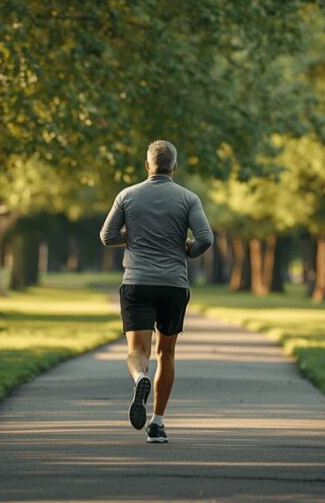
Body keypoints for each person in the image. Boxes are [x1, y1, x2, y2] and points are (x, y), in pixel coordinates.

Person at [99, 140, 213, 443]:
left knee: (138, 352)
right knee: (167, 353)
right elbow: (205, 238)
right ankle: (158, 423)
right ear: (173, 167)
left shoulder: (127, 195)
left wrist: (133, 235)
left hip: (137, 283)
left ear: (147, 165)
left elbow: (107, 236)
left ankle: (140, 378)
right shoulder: (189, 198)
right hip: (173, 285)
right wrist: (187, 248)